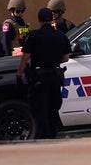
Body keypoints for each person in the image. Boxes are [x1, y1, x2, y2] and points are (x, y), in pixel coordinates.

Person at [17, 8, 71, 139]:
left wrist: (19, 74)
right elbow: (66, 58)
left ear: (39, 20)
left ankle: (43, 138)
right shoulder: (60, 35)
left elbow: (25, 57)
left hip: (39, 79)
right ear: (51, 19)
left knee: (40, 110)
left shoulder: (34, 35)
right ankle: (52, 135)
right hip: (54, 77)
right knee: (53, 109)